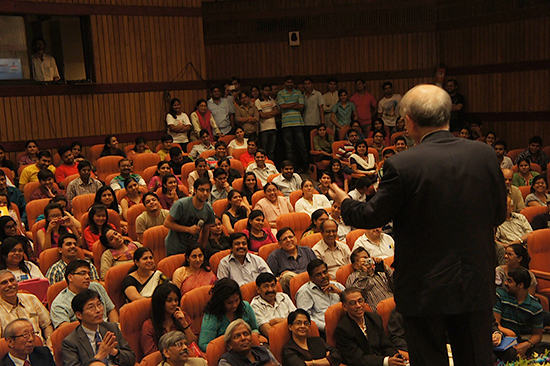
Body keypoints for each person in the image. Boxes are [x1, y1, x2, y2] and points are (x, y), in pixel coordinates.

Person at [330, 84, 507, 365]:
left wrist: (345, 201)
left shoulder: (403, 164)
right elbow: (499, 214)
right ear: (448, 116)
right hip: (474, 280)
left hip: (425, 289)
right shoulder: (483, 154)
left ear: (409, 121)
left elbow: (371, 216)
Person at [61, 289, 134, 366]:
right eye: (91, 307)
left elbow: (131, 358)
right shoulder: (70, 342)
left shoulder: (112, 328)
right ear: (79, 315)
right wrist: (99, 356)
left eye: (99, 304)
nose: (98, 310)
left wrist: (114, 352)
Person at [334, 288, 404, 366]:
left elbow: (386, 345)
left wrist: (396, 358)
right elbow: (357, 359)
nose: (358, 305)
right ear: (345, 307)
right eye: (353, 303)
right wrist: (386, 361)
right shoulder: (343, 329)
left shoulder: (374, 318)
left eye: (360, 301)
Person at [493, 268, 550, 362]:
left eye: (509, 281)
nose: (505, 283)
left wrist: (526, 345)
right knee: (512, 353)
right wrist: (511, 334)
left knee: (545, 347)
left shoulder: (535, 306)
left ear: (520, 285)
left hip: (517, 340)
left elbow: (537, 335)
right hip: (500, 337)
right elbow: (496, 324)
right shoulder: (500, 294)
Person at [51, 260, 118, 328]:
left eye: (89, 274)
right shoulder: (59, 304)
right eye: (82, 273)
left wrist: (115, 328)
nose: (87, 277)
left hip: (108, 331)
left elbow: (111, 310)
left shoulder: (97, 287)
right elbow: (65, 330)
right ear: (70, 277)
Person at [198, 278, 259, 352]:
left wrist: (252, 337)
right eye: (229, 303)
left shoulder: (245, 307)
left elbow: (255, 328)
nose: (235, 305)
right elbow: (204, 345)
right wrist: (232, 345)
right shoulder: (212, 315)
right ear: (220, 302)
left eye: (237, 300)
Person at [164, 177, 215, 256]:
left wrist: (202, 248)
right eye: (201, 190)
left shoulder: (208, 209)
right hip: (175, 247)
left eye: (207, 191)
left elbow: (206, 231)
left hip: (192, 248)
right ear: (194, 190)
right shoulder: (181, 204)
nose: (205, 193)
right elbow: (167, 223)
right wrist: (188, 229)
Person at [0, 271, 53, 345]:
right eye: (4, 283)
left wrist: (49, 339)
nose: (10, 284)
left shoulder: (31, 299)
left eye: (12, 280)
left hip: (41, 348)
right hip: (16, 353)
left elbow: (47, 325)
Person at [295, 260, 345, 335]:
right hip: (323, 331)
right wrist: (326, 327)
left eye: (325, 272)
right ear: (311, 278)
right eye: (318, 275)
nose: (324, 276)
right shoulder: (305, 292)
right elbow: (305, 318)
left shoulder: (336, 286)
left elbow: (352, 301)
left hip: (345, 324)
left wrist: (340, 293)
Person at [266, 227, 317, 294]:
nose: (289, 240)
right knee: (286, 276)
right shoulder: (274, 256)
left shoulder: (307, 250)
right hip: (290, 290)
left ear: (295, 238)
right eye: (284, 239)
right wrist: (280, 278)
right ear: (279, 244)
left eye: (290, 237)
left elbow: (318, 268)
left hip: (312, 282)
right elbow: (269, 279)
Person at [277, 76, 309, 172]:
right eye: (288, 82)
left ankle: (306, 167)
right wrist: (294, 104)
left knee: (302, 146)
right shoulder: (280, 93)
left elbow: (301, 106)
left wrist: (288, 105)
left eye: (291, 82)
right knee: (289, 148)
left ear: (293, 84)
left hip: (298, 123)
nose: (289, 84)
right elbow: (282, 106)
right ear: (284, 83)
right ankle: (291, 169)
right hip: (286, 124)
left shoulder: (298, 92)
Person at [250, 273, 296, 338]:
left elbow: (297, 319)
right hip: (275, 342)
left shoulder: (284, 297)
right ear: (258, 289)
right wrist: (289, 322)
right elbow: (270, 333)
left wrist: (275, 321)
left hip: (295, 337)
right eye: (266, 286)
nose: (270, 289)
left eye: (273, 285)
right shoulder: (255, 305)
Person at [255, 84, 279, 160]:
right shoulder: (258, 101)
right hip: (264, 129)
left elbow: (276, 112)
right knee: (264, 150)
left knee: (272, 150)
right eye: (266, 90)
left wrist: (267, 114)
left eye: (269, 90)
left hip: (273, 128)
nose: (268, 92)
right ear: (262, 91)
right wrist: (271, 114)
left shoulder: (272, 100)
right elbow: (262, 115)